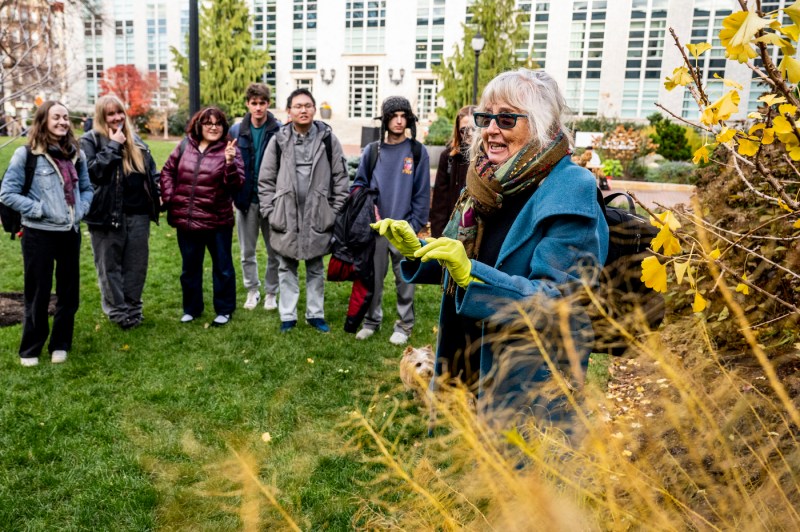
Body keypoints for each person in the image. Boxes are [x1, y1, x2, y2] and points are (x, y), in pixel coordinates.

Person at [374, 69, 609, 429]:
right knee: (467, 475)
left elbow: (559, 302)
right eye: (485, 118)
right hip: (467, 364)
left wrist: (473, 275)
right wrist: (418, 251)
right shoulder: (486, 182)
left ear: (543, 124)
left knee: (516, 478)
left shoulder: (570, 187)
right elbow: (457, 256)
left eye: (506, 118)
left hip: (525, 380)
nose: (490, 130)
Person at [0, 101, 94, 366]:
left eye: (65, 117)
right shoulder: (26, 154)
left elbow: (87, 188)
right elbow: (7, 193)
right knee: (38, 292)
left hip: (69, 232)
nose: (63, 122)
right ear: (43, 120)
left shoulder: (77, 154)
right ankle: (31, 347)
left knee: (68, 293)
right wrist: (38, 209)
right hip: (38, 234)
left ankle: (60, 344)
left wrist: (82, 209)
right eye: (56, 117)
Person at [258, 88, 349, 333]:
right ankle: (287, 315)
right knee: (285, 267)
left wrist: (333, 211)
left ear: (314, 109)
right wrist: (270, 211)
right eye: (298, 106)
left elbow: (341, 178)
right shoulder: (278, 140)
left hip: (318, 215)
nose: (303, 110)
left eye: (307, 105)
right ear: (289, 111)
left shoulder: (328, 139)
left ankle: (315, 314)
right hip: (285, 215)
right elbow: (265, 180)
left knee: (315, 268)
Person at [351, 96, 430, 346]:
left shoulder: (417, 151)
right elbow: (358, 184)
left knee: (405, 279)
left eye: (403, 116)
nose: (398, 121)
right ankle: (371, 321)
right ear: (385, 120)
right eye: (393, 116)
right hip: (375, 230)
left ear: (409, 119)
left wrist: (414, 224)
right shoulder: (372, 151)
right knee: (373, 277)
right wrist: (368, 211)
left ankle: (404, 325)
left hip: (405, 229)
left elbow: (421, 193)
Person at [80, 95, 161, 330]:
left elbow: (151, 172)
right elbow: (92, 173)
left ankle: (134, 309)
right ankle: (118, 312)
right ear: (101, 116)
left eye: (119, 112)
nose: (116, 118)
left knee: (136, 266)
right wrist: (114, 145)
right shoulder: (90, 140)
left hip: (138, 214)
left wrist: (157, 192)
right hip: (105, 215)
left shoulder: (136, 140)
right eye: (110, 114)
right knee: (109, 267)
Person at [160, 107, 244, 326]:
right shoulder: (185, 145)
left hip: (217, 221)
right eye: (208, 123)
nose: (213, 127)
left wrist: (229, 163)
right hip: (187, 220)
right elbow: (167, 171)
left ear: (224, 127)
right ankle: (191, 308)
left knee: (223, 268)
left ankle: (224, 310)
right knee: (190, 268)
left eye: (218, 123)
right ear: (199, 125)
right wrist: (171, 197)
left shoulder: (231, 149)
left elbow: (236, 184)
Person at [229, 83, 282, 311]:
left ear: (268, 104)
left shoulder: (279, 129)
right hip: (245, 199)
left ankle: (271, 293)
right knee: (247, 252)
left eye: (262, 103)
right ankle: (252, 290)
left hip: (272, 201)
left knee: (275, 252)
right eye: (254, 103)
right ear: (248, 104)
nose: (258, 107)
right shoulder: (236, 130)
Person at [430, 105, 476, 237]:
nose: (470, 134)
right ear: (457, 131)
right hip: (453, 232)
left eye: (474, 129)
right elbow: (439, 205)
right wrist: (438, 238)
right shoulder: (449, 157)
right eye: (464, 130)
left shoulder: (490, 157)